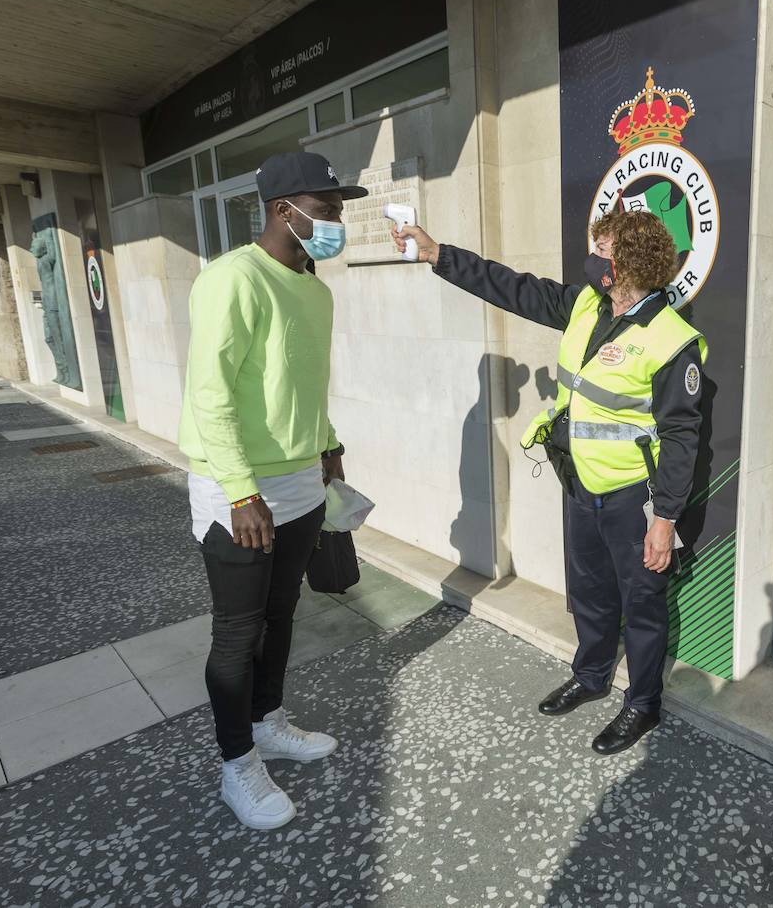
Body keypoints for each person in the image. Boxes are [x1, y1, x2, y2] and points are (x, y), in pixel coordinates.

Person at [391, 211, 706, 756]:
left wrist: (665, 519)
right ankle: (590, 677)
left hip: (635, 497)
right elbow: (513, 288)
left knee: (644, 605)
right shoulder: (588, 302)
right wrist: (439, 254)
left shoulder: (672, 340)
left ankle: (643, 704)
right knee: (589, 591)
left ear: (628, 260)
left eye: (602, 248)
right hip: (580, 484)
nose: (593, 256)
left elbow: (682, 436)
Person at [179, 151, 367, 830]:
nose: (336, 220)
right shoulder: (232, 278)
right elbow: (211, 391)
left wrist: (328, 441)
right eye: (327, 208)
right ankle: (237, 765)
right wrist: (238, 489)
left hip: (299, 482)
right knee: (237, 631)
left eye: (339, 208)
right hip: (239, 488)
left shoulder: (315, 288)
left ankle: (266, 723)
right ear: (283, 209)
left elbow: (301, 382)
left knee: (283, 612)